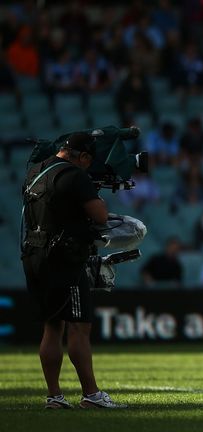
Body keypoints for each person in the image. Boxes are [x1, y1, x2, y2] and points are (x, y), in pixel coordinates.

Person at [21, 132, 124, 409]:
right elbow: (100, 216)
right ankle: (91, 395)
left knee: (52, 327)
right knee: (79, 327)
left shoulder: (35, 170)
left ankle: (54, 396)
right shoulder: (76, 175)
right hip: (64, 258)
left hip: (34, 254)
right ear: (85, 157)